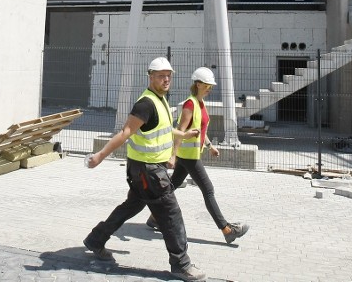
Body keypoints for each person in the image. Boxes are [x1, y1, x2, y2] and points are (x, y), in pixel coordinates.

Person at [83, 57, 207, 282]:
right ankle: (181, 264)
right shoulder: (146, 104)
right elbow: (125, 132)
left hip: (145, 170)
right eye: (161, 75)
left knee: (131, 206)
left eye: (169, 74)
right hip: (148, 171)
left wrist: (184, 134)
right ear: (150, 76)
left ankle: (96, 239)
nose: (166, 79)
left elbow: (163, 129)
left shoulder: (160, 100)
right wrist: (100, 156)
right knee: (170, 214)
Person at [146, 67, 249, 244]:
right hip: (188, 156)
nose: (210, 88)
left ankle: (154, 217)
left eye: (211, 86)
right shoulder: (190, 104)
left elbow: (200, 130)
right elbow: (181, 131)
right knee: (208, 190)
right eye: (207, 85)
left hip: (192, 154)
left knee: (172, 186)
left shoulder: (200, 104)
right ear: (198, 84)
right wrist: (173, 155)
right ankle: (227, 230)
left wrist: (210, 146)